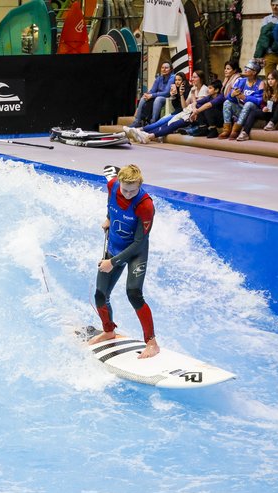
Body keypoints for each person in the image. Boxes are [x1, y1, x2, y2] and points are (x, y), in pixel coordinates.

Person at [87, 164, 159, 359]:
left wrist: (113, 262)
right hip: (114, 246)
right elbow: (111, 203)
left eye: (133, 191)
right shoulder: (112, 185)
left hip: (135, 252)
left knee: (134, 293)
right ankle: (109, 331)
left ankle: (152, 343)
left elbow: (139, 242)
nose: (127, 194)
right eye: (124, 189)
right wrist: (109, 218)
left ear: (140, 186)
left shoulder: (145, 205)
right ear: (118, 182)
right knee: (100, 295)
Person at [126, 70, 209, 142]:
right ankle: (141, 132)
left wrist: (188, 95)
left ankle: (146, 135)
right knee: (165, 123)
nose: (192, 79)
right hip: (184, 112)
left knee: (170, 124)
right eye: (176, 80)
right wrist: (179, 95)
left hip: (193, 115)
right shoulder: (192, 89)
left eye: (195, 77)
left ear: (200, 79)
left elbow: (197, 105)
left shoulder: (203, 89)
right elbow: (185, 106)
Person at [235, 69, 278, 140]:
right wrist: (264, 107)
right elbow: (263, 103)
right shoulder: (268, 90)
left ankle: (272, 123)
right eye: (268, 79)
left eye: (272, 79)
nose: (270, 81)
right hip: (270, 111)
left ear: (277, 79)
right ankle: (245, 133)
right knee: (253, 113)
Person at [220, 59, 265, 140]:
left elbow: (260, 100)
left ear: (254, 72)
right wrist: (232, 95)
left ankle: (236, 129)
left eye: (248, 68)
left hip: (252, 112)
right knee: (227, 102)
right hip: (241, 109)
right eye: (245, 67)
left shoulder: (260, 83)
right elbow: (229, 98)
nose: (245, 69)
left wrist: (245, 98)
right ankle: (227, 128)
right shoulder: (241, 81)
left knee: (249, 104)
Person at [129, 63, 174, 127]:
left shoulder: (172, 78)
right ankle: (137, 121)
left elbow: (166, 93)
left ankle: (153, 122)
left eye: (166, 68)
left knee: (158, 99)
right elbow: (152, 90)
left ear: (171, 69)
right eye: (162, 67)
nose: (164, 69)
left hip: (168, 97)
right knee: (143, 98)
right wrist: (147, 94)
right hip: (158, 96)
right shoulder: (159, 78)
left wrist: (152, 95)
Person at [257, 0, 278, 82]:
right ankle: (270, 94)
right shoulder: (266, 19)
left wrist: (273, 33)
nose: (275, 7)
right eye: (273, 5)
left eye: (277, 5)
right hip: (269, 53)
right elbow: (264, 35)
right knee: (269, 79)